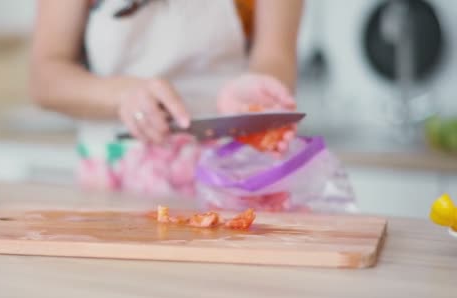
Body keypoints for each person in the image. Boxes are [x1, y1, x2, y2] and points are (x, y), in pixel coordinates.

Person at [30, 0, 303, 196]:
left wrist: (259, 90)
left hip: (234, 177)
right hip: (113, 184)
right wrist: (122, 95)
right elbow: (45, 78)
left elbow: (275, 55)